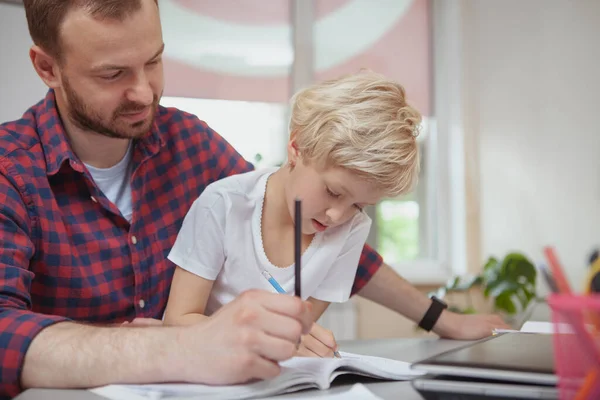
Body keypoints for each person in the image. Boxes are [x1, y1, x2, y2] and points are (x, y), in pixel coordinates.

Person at [0, 0, 508, 398]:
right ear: (48, 67)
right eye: (113, 74)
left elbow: (303, 223)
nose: (146, 92)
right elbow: (4, 332)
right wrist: (175, 345)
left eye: (154, 61)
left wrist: (440, 319)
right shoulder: (10, 171)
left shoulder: (188, 142)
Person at [163, 71, 421, 359]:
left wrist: (303, 341)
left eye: (358, 205)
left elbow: (298, 330)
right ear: (297, 147)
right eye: (333, 192)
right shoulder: (223, 204)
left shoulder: (352, 229)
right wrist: (267, 339)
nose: (337, 215)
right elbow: (177, 322)